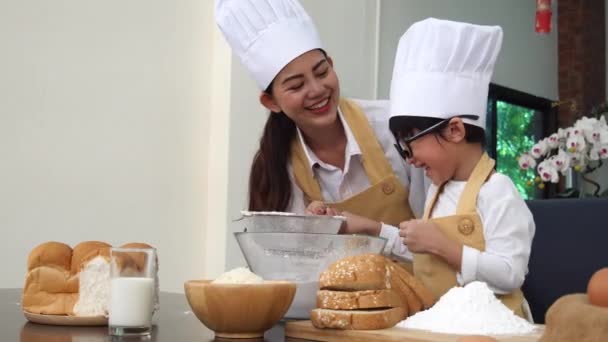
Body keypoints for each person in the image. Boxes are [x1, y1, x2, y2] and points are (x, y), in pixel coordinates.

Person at [215, 0, 429, 257]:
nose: (316, 90)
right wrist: (310, 238)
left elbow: (440, 247)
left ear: (331, 63)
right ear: (271, 101)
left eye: (321, 71)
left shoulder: (394, 126)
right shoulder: (278, 168)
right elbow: (284, 267)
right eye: (296, 86)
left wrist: (374, 230)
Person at [387, 18, 535, 318]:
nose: (410, 159)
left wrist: (444, 246)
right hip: (448, 324)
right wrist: (365, 228)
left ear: (455, 130)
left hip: (497, 329)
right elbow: (423, 250)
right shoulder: (437, 191)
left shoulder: (497, 191)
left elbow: (511, 274)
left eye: (410, 144)